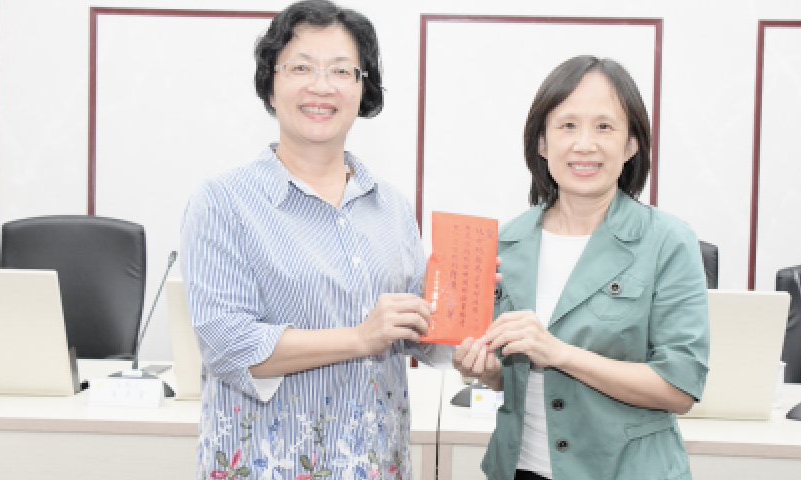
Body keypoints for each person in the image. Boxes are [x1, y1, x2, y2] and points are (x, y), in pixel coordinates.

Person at [180, 1, 454, 479]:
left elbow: (419, 331)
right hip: (269, 466)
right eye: (301, 67)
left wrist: (466, 310)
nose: (321, 86)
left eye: (341, 71)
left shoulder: (390, 205)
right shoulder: (224, 201)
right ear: (270, 83)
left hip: (377, 465)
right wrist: (361, 338)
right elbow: (229, 344)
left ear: (363, 87)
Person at [453, 55, 710, 480]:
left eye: (604, 127)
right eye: (568, 125)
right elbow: (512, 375)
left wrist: (560, 353)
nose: (585, 144)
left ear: (631, 144)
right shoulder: (503, 243)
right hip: (519, 468)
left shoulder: (668, 240)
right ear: (542, 143)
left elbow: (680, 388)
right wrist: (487, 370)